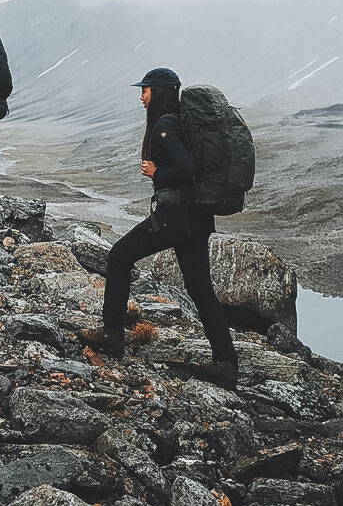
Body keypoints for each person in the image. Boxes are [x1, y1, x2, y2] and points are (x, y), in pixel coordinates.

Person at [78, 67, 239, 388]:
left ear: (160, 92)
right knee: (200, 289)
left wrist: (156, 172)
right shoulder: (181, 122)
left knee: (119, 257)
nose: (141, 97)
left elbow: (185, 168)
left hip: (175, 217)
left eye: (146, 91)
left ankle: (112, 333)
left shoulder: (165, 124)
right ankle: (226, 362)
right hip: (197, 219)